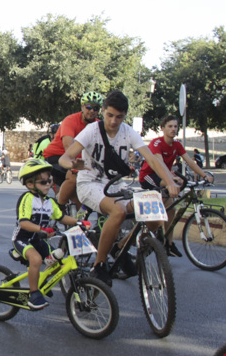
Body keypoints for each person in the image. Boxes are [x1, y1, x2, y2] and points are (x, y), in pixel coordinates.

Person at [58, 90, 179, 286]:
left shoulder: (128, 132)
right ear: (103, 111)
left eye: (119, 117)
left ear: (125, 116)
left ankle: (120, 248)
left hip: (117, 185)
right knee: (119, 210)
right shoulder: (92, 131)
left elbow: (152, 159)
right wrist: (74, 165)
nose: (114, 121)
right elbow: (65, 157)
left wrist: (170, 181)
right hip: (90, 184)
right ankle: (99, 265)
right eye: (110, 115)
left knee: (154, 216)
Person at [138, 115, 213, 257]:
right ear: (163, 128)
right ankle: (152, 231)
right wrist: (172, 179)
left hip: (166, 177)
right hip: (150, 175)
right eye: (170, 126)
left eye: (175, 126)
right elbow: (158, 163)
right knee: (164, 202)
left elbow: (190, 162)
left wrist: (204, 175)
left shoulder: (177, 145)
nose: (173, 129)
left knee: (172, 208)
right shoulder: (156, 143)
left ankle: (169, 243)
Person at [12, 158, 79, 310]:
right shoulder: (27, 199)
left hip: (38, 240)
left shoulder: (50, 202)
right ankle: (33, 293)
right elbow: (23, 223)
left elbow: (61, 217)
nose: (48, 184)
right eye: (43, 182)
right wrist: (41, 230)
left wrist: (79, 222)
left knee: (58, 259)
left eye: (49, 181)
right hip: (23, 239)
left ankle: (41, 282)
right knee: (35, 259)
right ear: (30, 184)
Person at [44, 91, 105, 206]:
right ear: (82, 106)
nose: (92, 111)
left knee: (79, 197)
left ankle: (76, 220)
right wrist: (78, 166)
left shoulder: (99, 125)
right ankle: (59, 208)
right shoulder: (70, 121)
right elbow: (69, 147)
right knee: (74, 177)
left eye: (96, 108)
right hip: (57, 157)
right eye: (89, 107)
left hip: (80, 160)